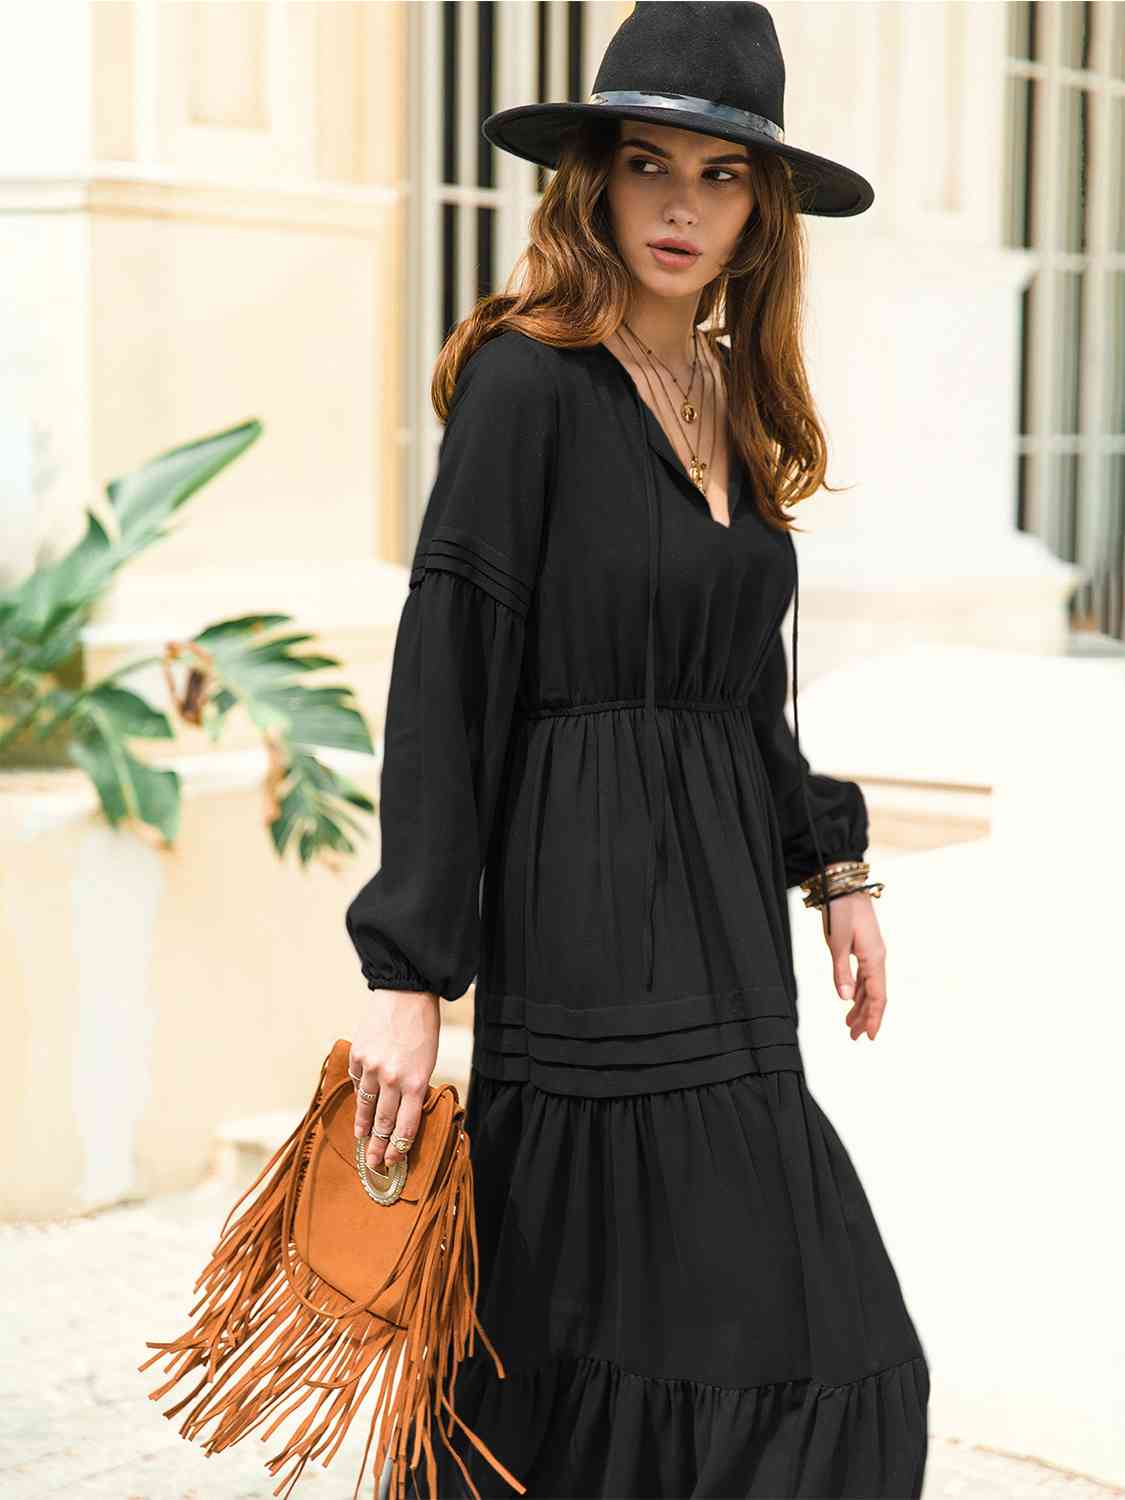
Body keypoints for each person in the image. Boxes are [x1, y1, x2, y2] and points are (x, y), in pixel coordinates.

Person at [344, 4, 929, 1496]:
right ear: (593, 180)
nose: (681, 206)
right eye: (648, 164)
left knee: (814, 1344)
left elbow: (731, 690)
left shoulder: (731, 397)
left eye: (721, 175)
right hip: (585, 908)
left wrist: (834, 868)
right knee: (613, 1319)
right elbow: (448, 668)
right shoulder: (526, 380)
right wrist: (410, 975)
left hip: (724, 911)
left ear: (761, 209)